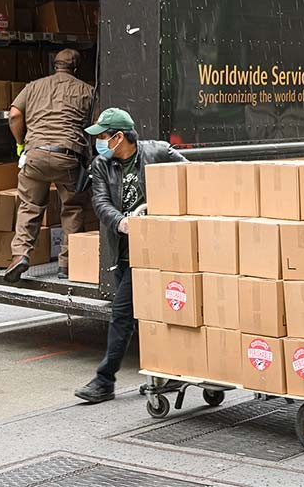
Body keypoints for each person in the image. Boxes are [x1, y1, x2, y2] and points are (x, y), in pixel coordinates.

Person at [74, 108, 187, 404]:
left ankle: (104, 380)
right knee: (145, 315)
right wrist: (121, 222)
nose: (99, 142)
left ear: (119, 137)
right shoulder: (101, 165)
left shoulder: (158, 153)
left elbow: (192, 178)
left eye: (103, 136)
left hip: (156, 251)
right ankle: (170, 374)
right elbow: (99, 201)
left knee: (123, 315)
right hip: (124, 252)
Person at [4, 49, 94, 283]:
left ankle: (21, 255)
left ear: (54, 65)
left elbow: (14, 115)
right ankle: (67, 264)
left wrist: (21, 143)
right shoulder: (87, 90)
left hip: (35, 154)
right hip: (68, 156)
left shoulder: (33, 86)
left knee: (29, 206)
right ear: (76, 68)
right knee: (72, 208)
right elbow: (97, 125)